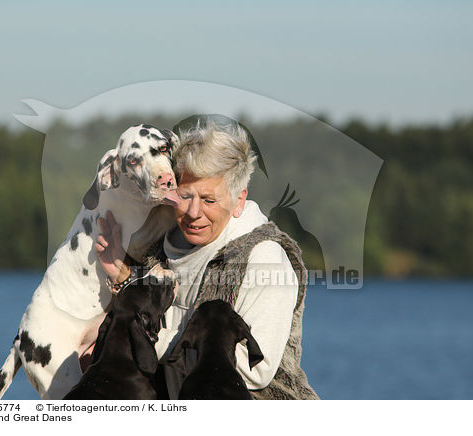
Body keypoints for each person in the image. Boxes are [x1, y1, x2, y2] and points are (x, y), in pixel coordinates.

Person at [94, 118, 318, 400]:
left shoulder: (264, 257)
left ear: (239, 200)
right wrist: (123, 278)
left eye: (209, 200)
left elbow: (256, 370)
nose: (193, 212)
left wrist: (142, 341)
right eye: (185, 196)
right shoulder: (158, 249)